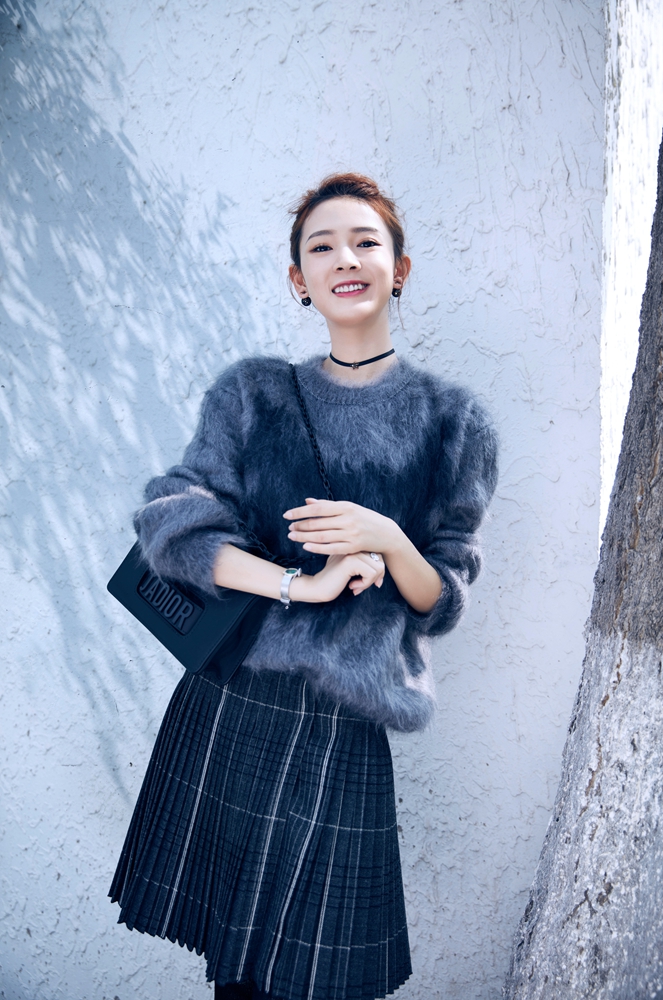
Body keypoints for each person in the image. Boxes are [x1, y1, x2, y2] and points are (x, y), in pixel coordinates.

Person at [109, 173, 498, 1000]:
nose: (343, 259)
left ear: (399, 268)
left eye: (364, 242)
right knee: (237, 979)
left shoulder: (453, 423)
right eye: (321, 247)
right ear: (298, 280)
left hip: (346, 727)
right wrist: (302, 585)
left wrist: (387, 537)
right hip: (233, 706)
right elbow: (171, 525)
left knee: (320, 981)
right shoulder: (252, 395)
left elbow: (444, 597)